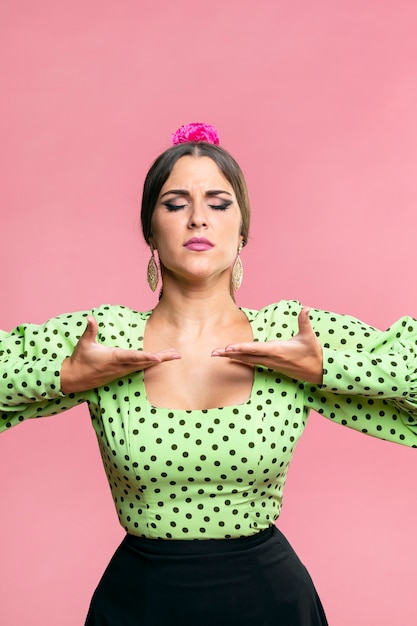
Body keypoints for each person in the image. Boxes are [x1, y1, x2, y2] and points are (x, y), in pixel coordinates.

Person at [1, 122, 416, 626]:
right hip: (138, 605)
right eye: (175, 204)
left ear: (242, 232)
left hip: (273, 605)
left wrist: (329, 367)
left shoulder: (288, 331)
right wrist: (63, 376)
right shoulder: (105, 334)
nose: (198, 218)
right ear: (149, 230)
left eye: (219, 204)